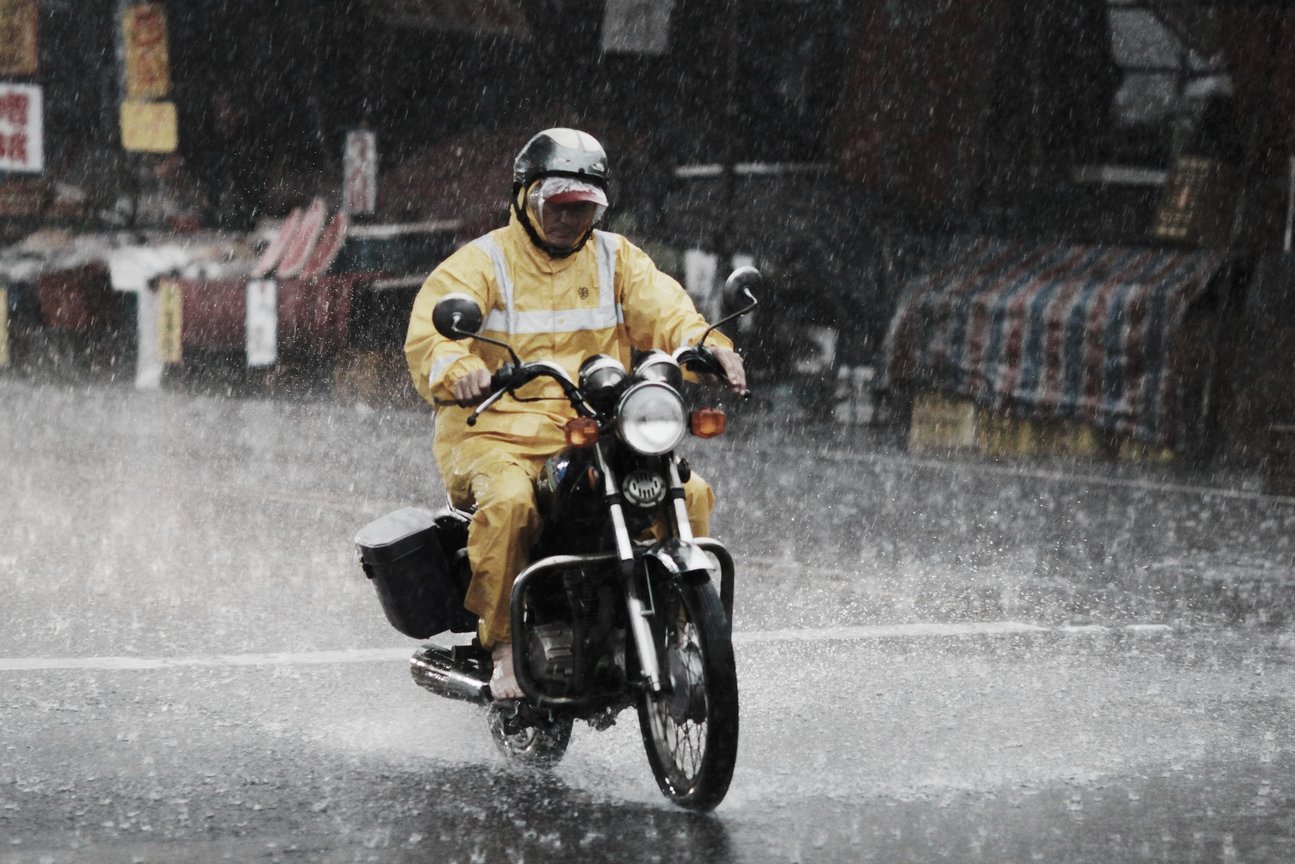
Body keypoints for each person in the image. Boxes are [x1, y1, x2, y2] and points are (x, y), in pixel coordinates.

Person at [405, 128, 746, 699]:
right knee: (511, 505)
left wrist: (709, 347)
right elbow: (429, 341)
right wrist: (455, 368)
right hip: (494, 432)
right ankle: (506, 650)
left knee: (689, 492)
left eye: (583, 206)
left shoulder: (617, 258)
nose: (569, 218)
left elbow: (666, 311)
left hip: (593, 425)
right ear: (525, 197)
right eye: (557, 205)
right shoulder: (481, 262)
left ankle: (682, 628)